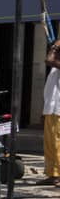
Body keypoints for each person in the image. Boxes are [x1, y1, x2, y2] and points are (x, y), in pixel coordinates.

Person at [39, 37, 60, 185]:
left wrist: (54, 47)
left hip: (58, 109)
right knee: (50, 144)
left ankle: (58, 173)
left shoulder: (55, 63)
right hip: (51, 108)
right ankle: (53, 173)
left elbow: (49, 60)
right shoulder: (55, 69)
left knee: (57, 143)